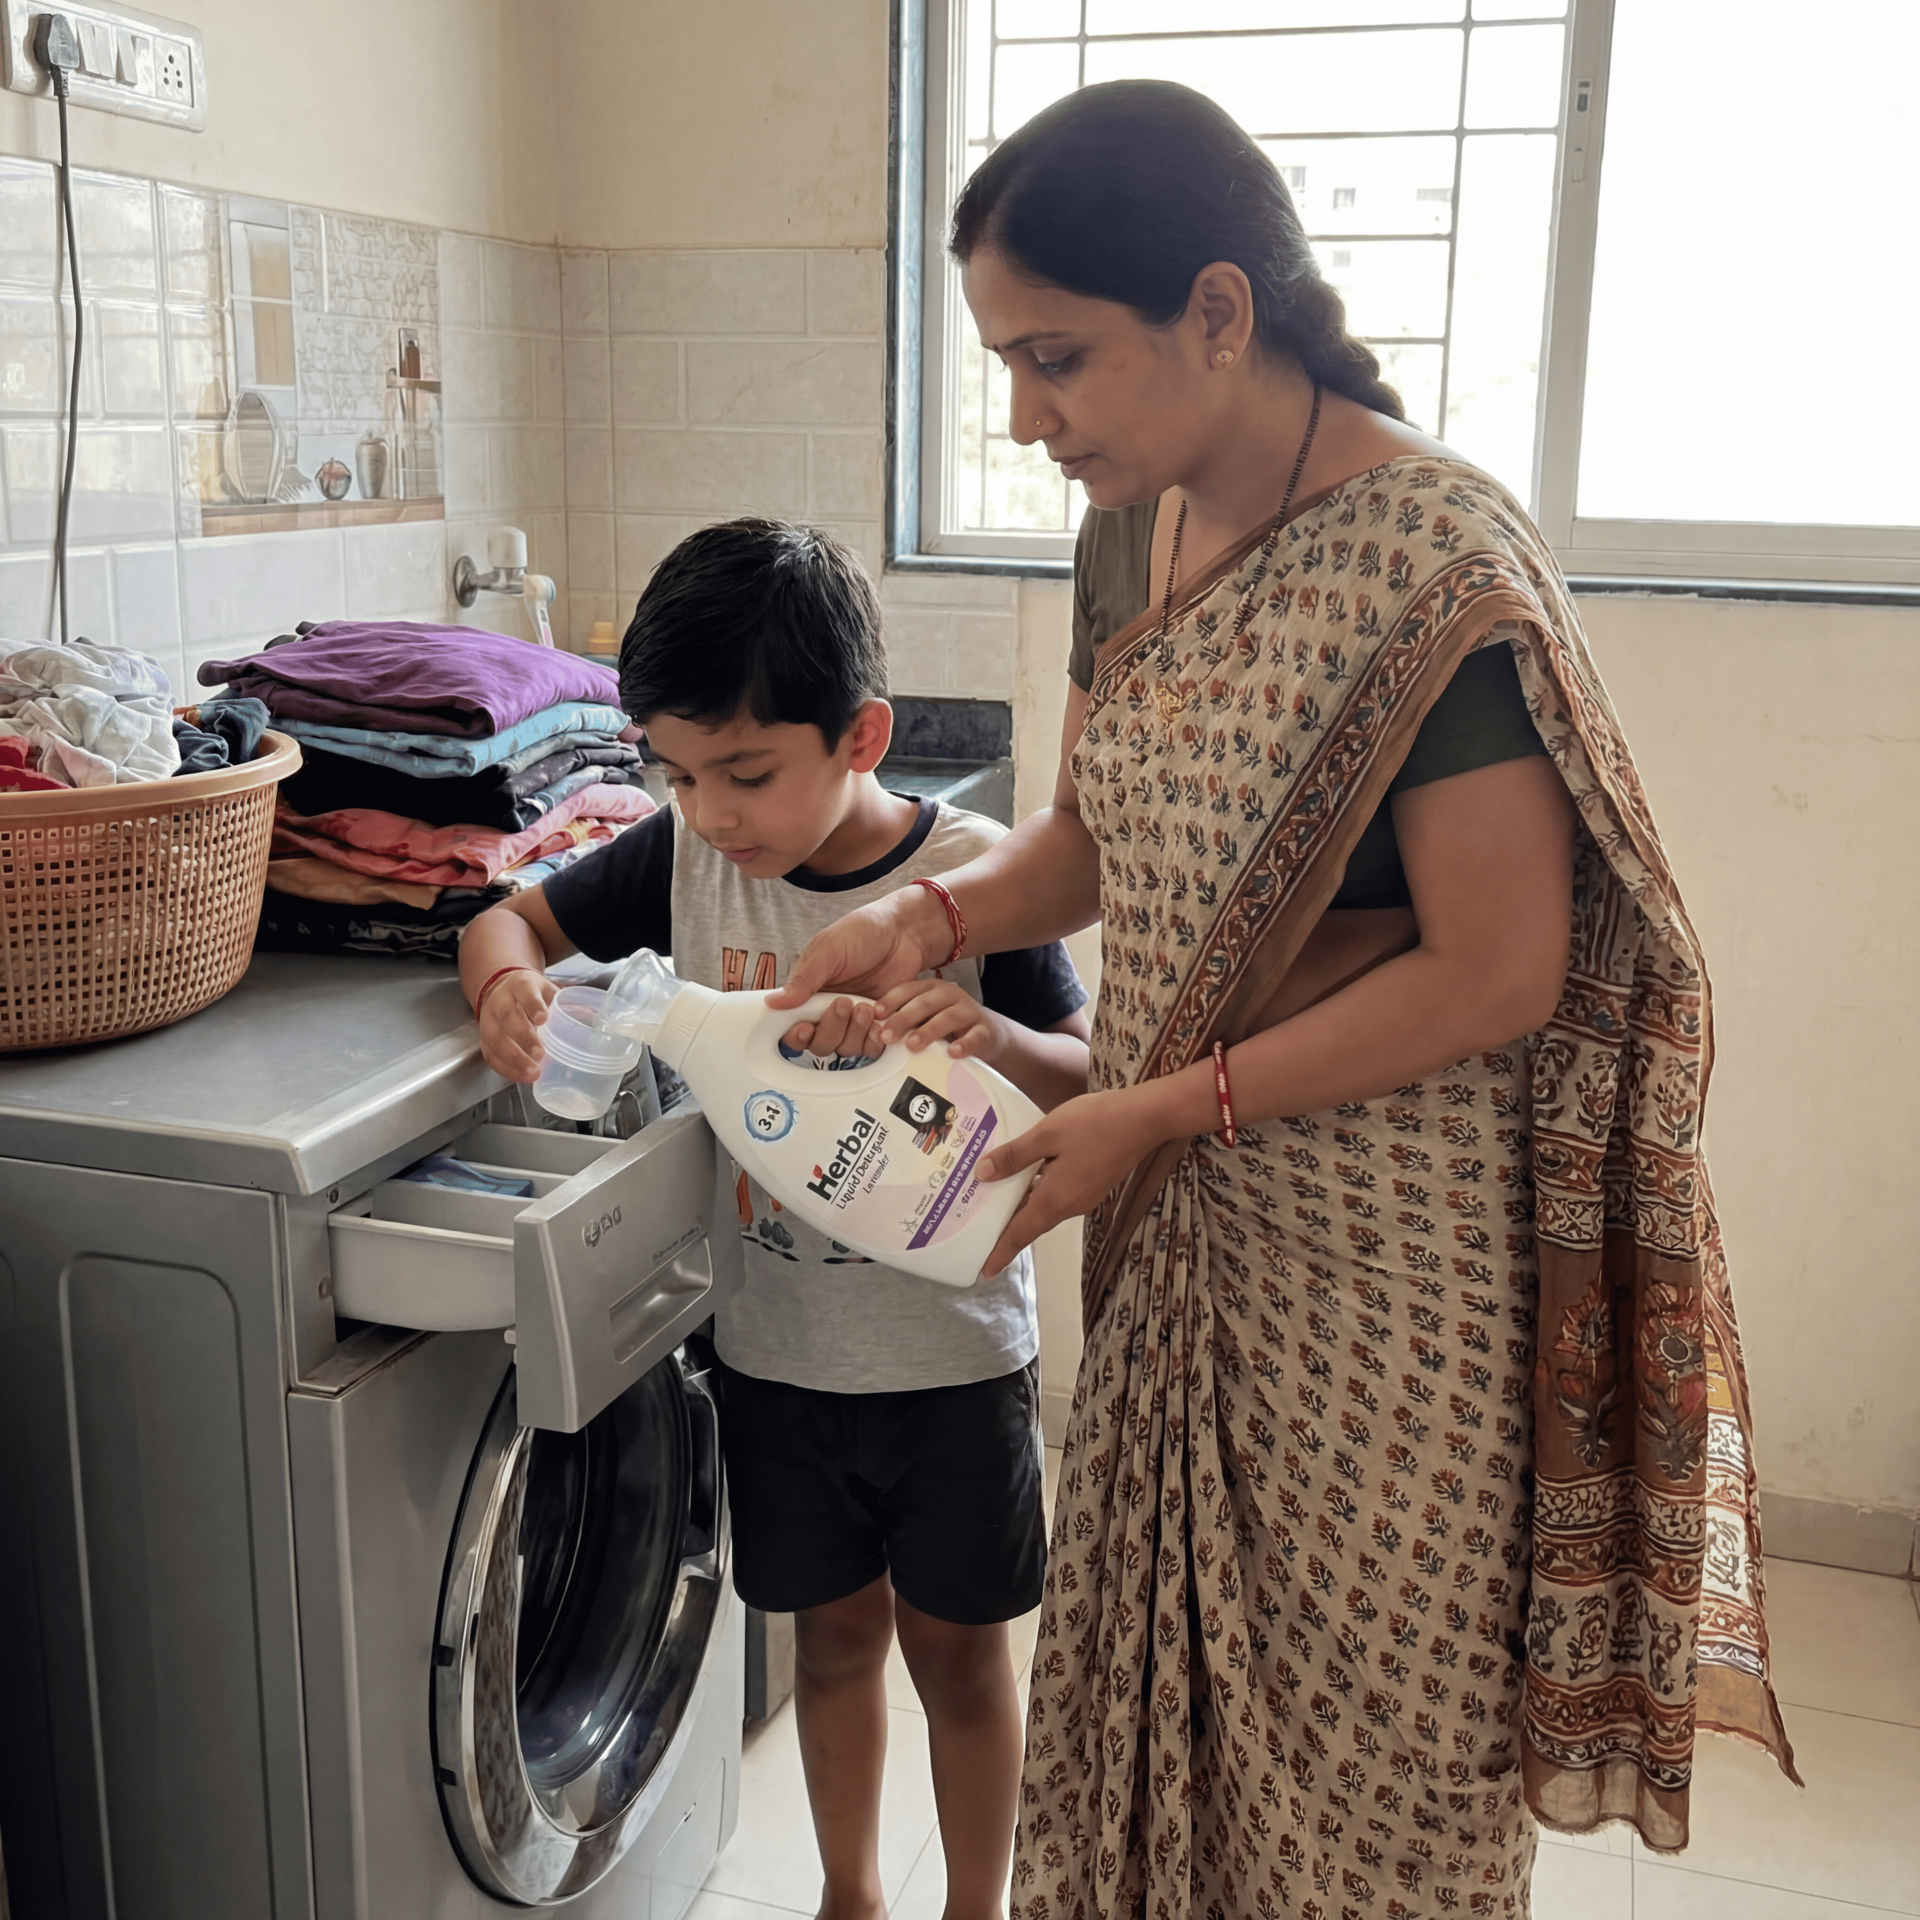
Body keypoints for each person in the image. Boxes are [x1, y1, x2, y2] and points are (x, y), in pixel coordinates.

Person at [770, 80, 1798, 1920]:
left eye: (1060, 356)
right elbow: (1090, 843)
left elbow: (1502, 969)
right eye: (1005, 361)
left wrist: (1163, 1107)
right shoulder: (1125, 535)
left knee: (1365, 1760)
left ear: (1222, 314)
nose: (1026, 417)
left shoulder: (1432, 571)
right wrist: (927, 913)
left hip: (1389, 1272)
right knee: (1161, 1721)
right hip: (1174, 1227)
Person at [458, 520, 1092, 1920]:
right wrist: (504, 987)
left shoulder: (978, 874)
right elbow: (504, 922)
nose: (712, 811)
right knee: (833, 1644)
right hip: (776, 1357)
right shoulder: (683, 867)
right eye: (675, 774)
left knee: (964, 1662)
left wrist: (981, 1031)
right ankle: (851, 1894)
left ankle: (974, 1906)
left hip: (952, 1363)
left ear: (860, 733)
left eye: (745, 772)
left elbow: (1091, 1081)